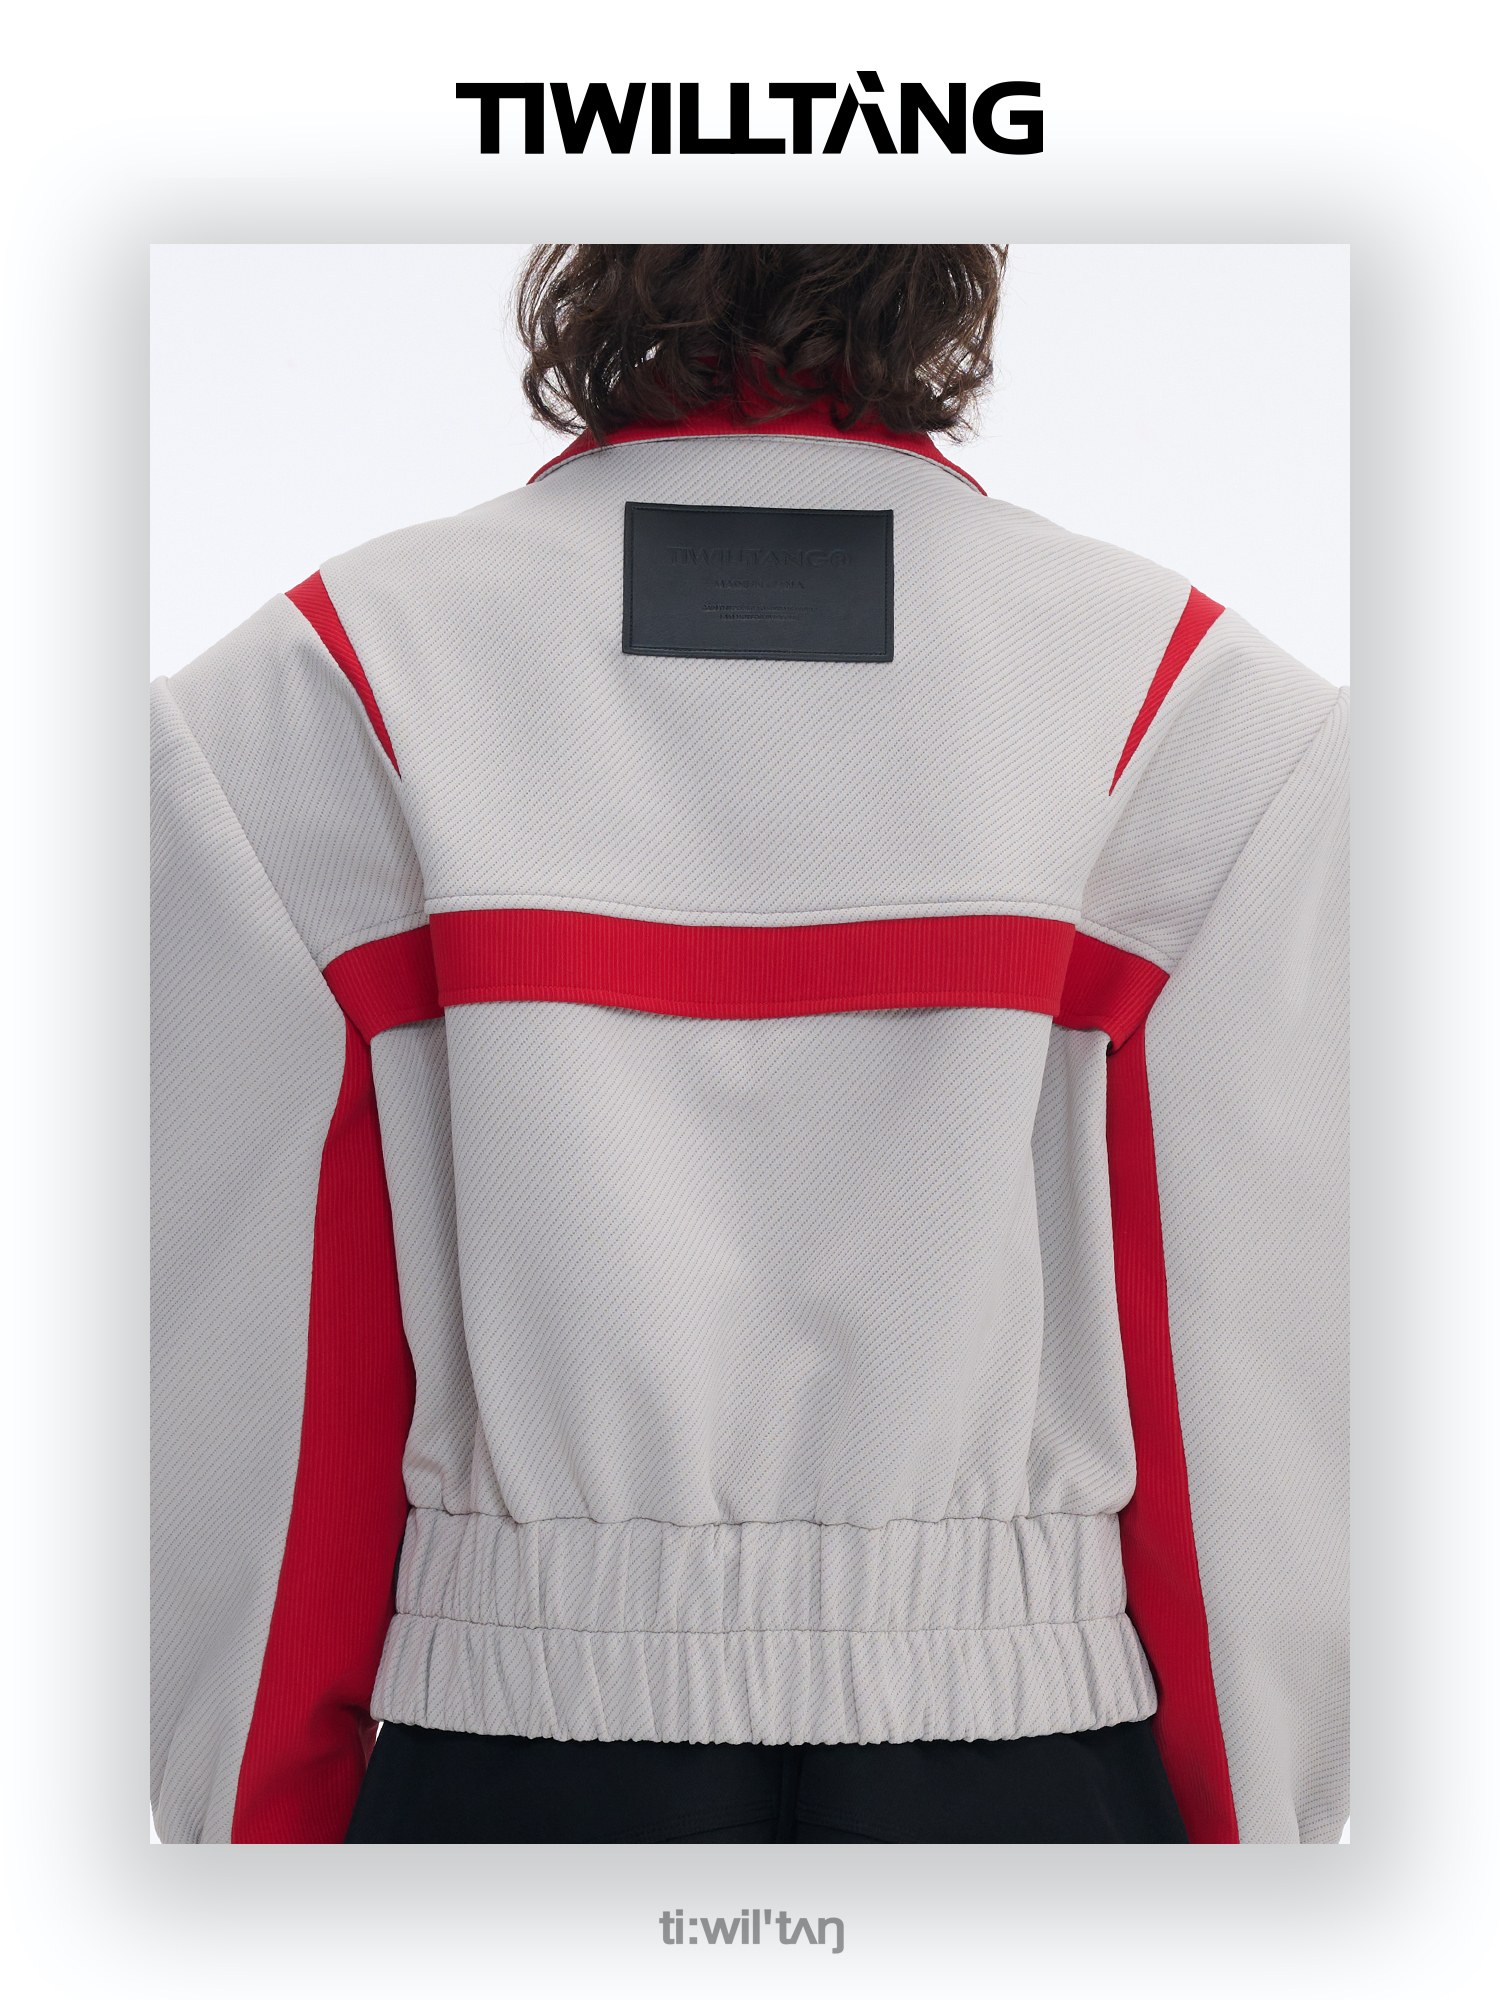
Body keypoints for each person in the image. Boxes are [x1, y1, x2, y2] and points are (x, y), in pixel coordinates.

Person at [151, 244, 1347, 1844]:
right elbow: (1244, 1390)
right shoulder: (1203, 721)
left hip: (509, 1761)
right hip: (1029, 1766)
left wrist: (252, 1871)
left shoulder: (310, 702)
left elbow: (263, 1410)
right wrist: (1251, 1864)